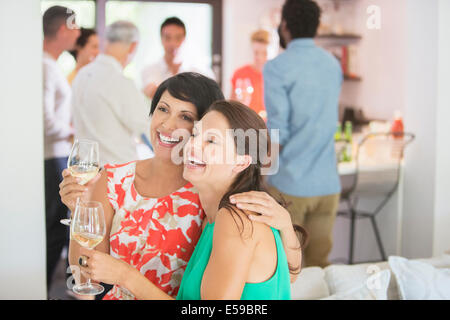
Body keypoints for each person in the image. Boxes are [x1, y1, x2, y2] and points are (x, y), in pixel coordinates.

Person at [59, 72, 302, 300]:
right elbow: (84, 276)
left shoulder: (212, 195)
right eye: (162, 109)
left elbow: (282, 273)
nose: (167, 125)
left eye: (185, 117)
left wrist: (285, 227)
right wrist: (79, 212)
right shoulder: (114, 180)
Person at [263, 0, 343, 268]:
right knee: (318, 267)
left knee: (287, 268)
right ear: (317, 26)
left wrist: (260, 175)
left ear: (284, 25)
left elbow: (278, 130)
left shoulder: (277, 67)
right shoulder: (333, 65)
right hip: (328, 185)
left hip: (291, 185)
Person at [71, 21, 149, 166]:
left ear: (105, 41)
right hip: (116, 173)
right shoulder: (122, 82)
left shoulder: (81, 75)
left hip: (84, 170)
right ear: (133, 46)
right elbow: (146, 130)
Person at [42, 5, 80, 294]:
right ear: (64, 29)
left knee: (58, 228)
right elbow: (43, 121)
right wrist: (72, 131)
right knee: (56, 229)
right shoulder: (44, 66)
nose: (78, 33)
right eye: (76, 27)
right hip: (51, 155)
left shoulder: (52, 65)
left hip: (56, 154)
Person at [141, 17, 215, 99]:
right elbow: (151, 92)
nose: (173, 43)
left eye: (178, 38)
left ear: (184, 39)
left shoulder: (197, 70)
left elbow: (211, 94)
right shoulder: (150, 70)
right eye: (168, 38)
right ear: (161, 39)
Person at [230, 29, 271, 121]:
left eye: (264, 53)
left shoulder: (275, 76)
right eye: (256, 52)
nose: (260, 58)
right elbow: (231, 106)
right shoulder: (240, 74)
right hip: (245, 125)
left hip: (268, 127)